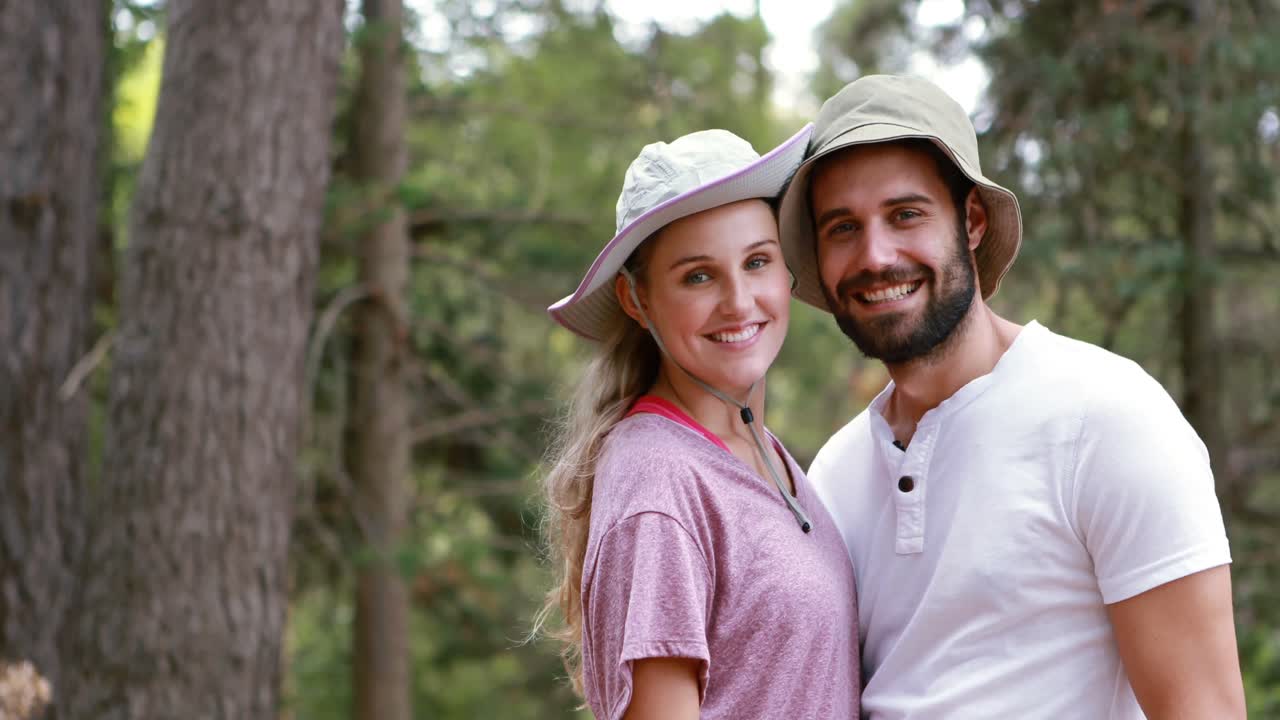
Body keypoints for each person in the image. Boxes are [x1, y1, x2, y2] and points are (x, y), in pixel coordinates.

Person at [777, 74, 1246, 718]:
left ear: (971, 221)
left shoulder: (1106, 417)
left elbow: (1203, 708)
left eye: (905, 214)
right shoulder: (833, 476)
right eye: (842, 228)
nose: (875, 255)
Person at [536, 126, 860, 719]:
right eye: (699, 276)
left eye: (757, 261)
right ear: (636, 300)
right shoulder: (659, 482)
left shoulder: (762, 454)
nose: (739, 301)